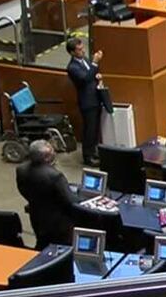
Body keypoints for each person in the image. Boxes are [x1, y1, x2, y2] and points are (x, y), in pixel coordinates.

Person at [15, 139, 79, 249]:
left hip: (36, 216)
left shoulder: (21, 169)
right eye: (52, 152)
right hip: (59, 224)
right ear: (46, 158)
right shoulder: (55, 176)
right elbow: (70, 202)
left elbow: (22, 189)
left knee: (42, 242)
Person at [66, 38, 102, 166]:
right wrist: (95, 63)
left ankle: (94, 151)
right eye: (79, 50)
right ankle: (88, 156)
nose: (82, 51)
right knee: (89, 130)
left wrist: (97, 75)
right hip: (87, 102)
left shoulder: (85, 60)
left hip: (96, 98)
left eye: (82, 48)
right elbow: (85, 78)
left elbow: (92, 73)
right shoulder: (72, 67)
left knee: (96, 129)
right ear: (72, 52)